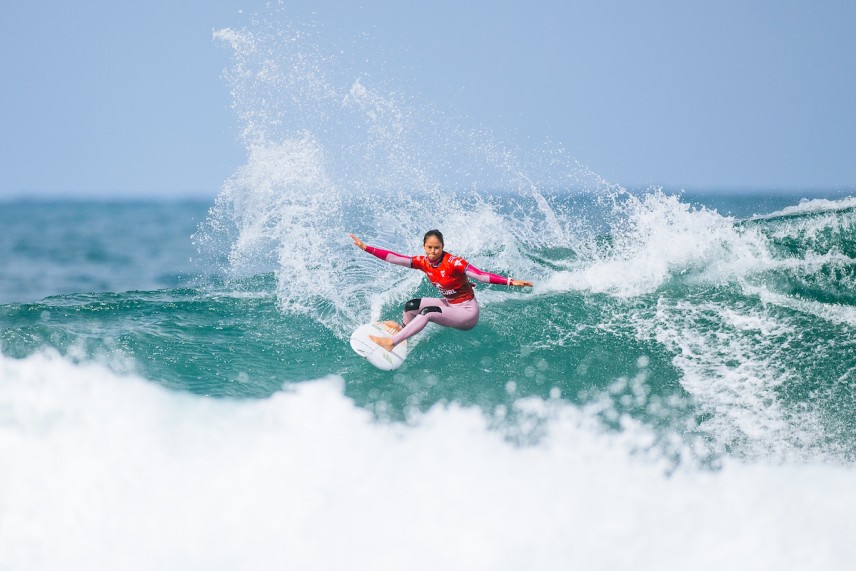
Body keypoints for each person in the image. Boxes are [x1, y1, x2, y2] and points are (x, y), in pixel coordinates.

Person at [350, 229, 533, 351]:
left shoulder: (454, 263)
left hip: (467, 314)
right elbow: (395, 258)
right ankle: (404, 332)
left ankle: (392, 342)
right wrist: (366, 248)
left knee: (428, 312)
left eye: (437, 247)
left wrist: (510, 281)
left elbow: (480, 275)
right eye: (429, 247)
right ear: (424, 247)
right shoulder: (423, 262)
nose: (433, 251)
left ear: (443, 247)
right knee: (411, 306)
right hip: (450, 304)